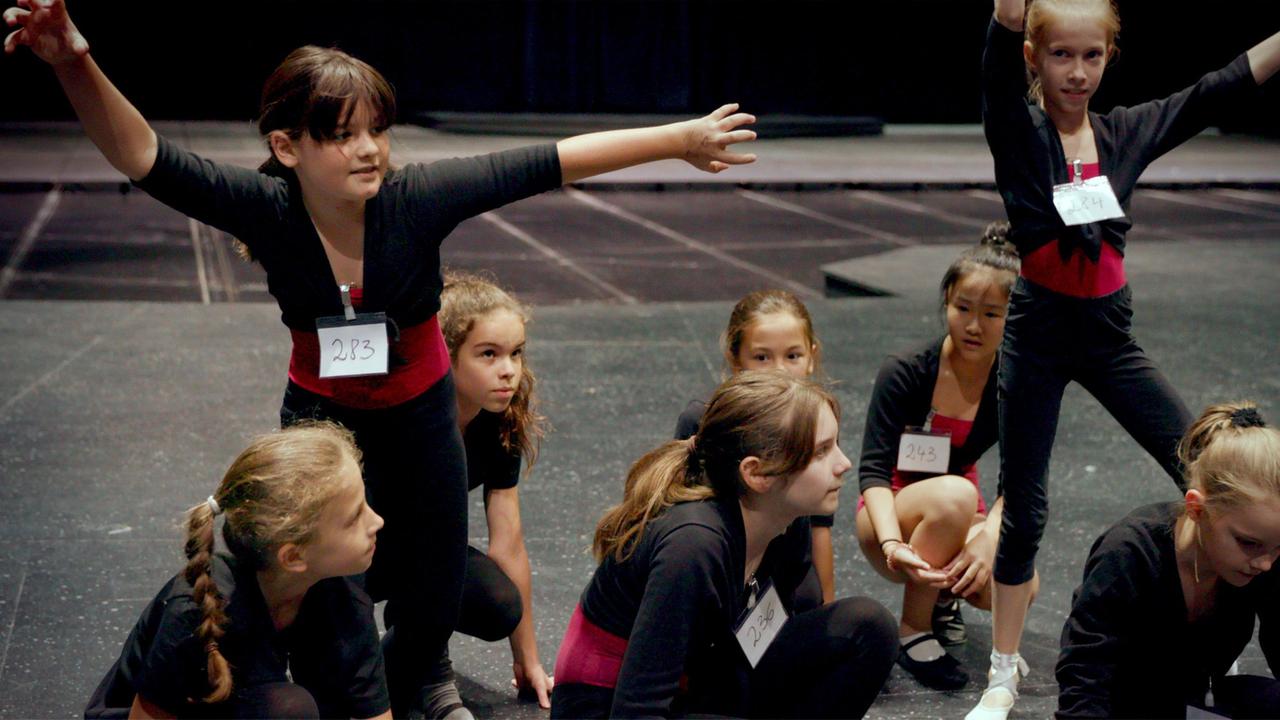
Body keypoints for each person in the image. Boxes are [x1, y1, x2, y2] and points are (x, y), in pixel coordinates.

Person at [4, 2, 758, 716]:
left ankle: (424, 672)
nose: (368, 148)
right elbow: (143, 156)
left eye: (378, 130)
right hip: (320, 420)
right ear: (287, 147)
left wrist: (680, 139)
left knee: (433, 562)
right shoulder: (266, 212)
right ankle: (339, 682)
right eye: (342, 134)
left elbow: (549, 161)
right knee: (330, 569)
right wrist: (74, 61)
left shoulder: (417, 200)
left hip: (422, 409)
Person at [973, 0, 1280, 716]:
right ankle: (1001, 670)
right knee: (1026, 508)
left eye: (1092, 56)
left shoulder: (1125, 131)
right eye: (1060, 56)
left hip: (1110, 335)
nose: (1076, 73)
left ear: (1110, 56)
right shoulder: (1020, 130)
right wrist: (1005, 19)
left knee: (1210, 465)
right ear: (1033, 58)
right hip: (1040, 333)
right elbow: (993, 76)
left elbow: (1219, 88)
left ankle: (1218, 626)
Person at [551, 371, 897, 719]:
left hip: (705, 671)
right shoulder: (692, 545)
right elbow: (637, 708)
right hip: (606, 705)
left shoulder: (789, 515)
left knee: (868, 628)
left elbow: (775, 642)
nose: (844, 463)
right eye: (822, 451)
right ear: (758, 473)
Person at [84, 422, 389, 720]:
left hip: (245, 701)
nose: (377, 522)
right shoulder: (195, 611)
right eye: (354, 518)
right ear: (293, 556)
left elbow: (372, 711)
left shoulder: (341, 594)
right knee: (290, 709)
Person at [855, 223, 1038, 692]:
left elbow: (1019, 484)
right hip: (889, 511)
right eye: (963, 309)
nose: (974, 326)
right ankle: (914, 627)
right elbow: (873, 472)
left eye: (993, 314)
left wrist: (984, 543)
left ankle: (955, 607)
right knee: (955, 495)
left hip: (961, 508)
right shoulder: (905, 371)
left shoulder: (1016, 385)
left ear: (1013, 317)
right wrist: (894, 542)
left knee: (1016, 582)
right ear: (946, 306)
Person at [1056, 402, 1280, 719]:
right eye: (1248, 543)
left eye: (1278, 548)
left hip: (1193, 703)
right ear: (1196, 508)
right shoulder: (1129, 552)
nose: (1265, 564)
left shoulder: (1265, 554)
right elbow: (1085, 672)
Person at [673, 289, 836, 604]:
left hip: (785, 570)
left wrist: (827, 610)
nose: (779, 370)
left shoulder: (818, 421)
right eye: (762, 357)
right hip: (723, 570)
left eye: (793, 356)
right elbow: (681, 521)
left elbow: (820, 529)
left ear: (811, 357)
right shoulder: (701, 421)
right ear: (735, 360)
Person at [438, 272, 553, 708]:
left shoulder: (499, 420)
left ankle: (406, 643)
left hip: (423, 550)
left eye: (516, 354)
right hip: (361, 552)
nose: (508, 371)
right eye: (488, 354)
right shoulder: (415, 419)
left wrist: (529, 662)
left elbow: (509, 545)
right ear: (446, 356)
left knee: (499, 603)